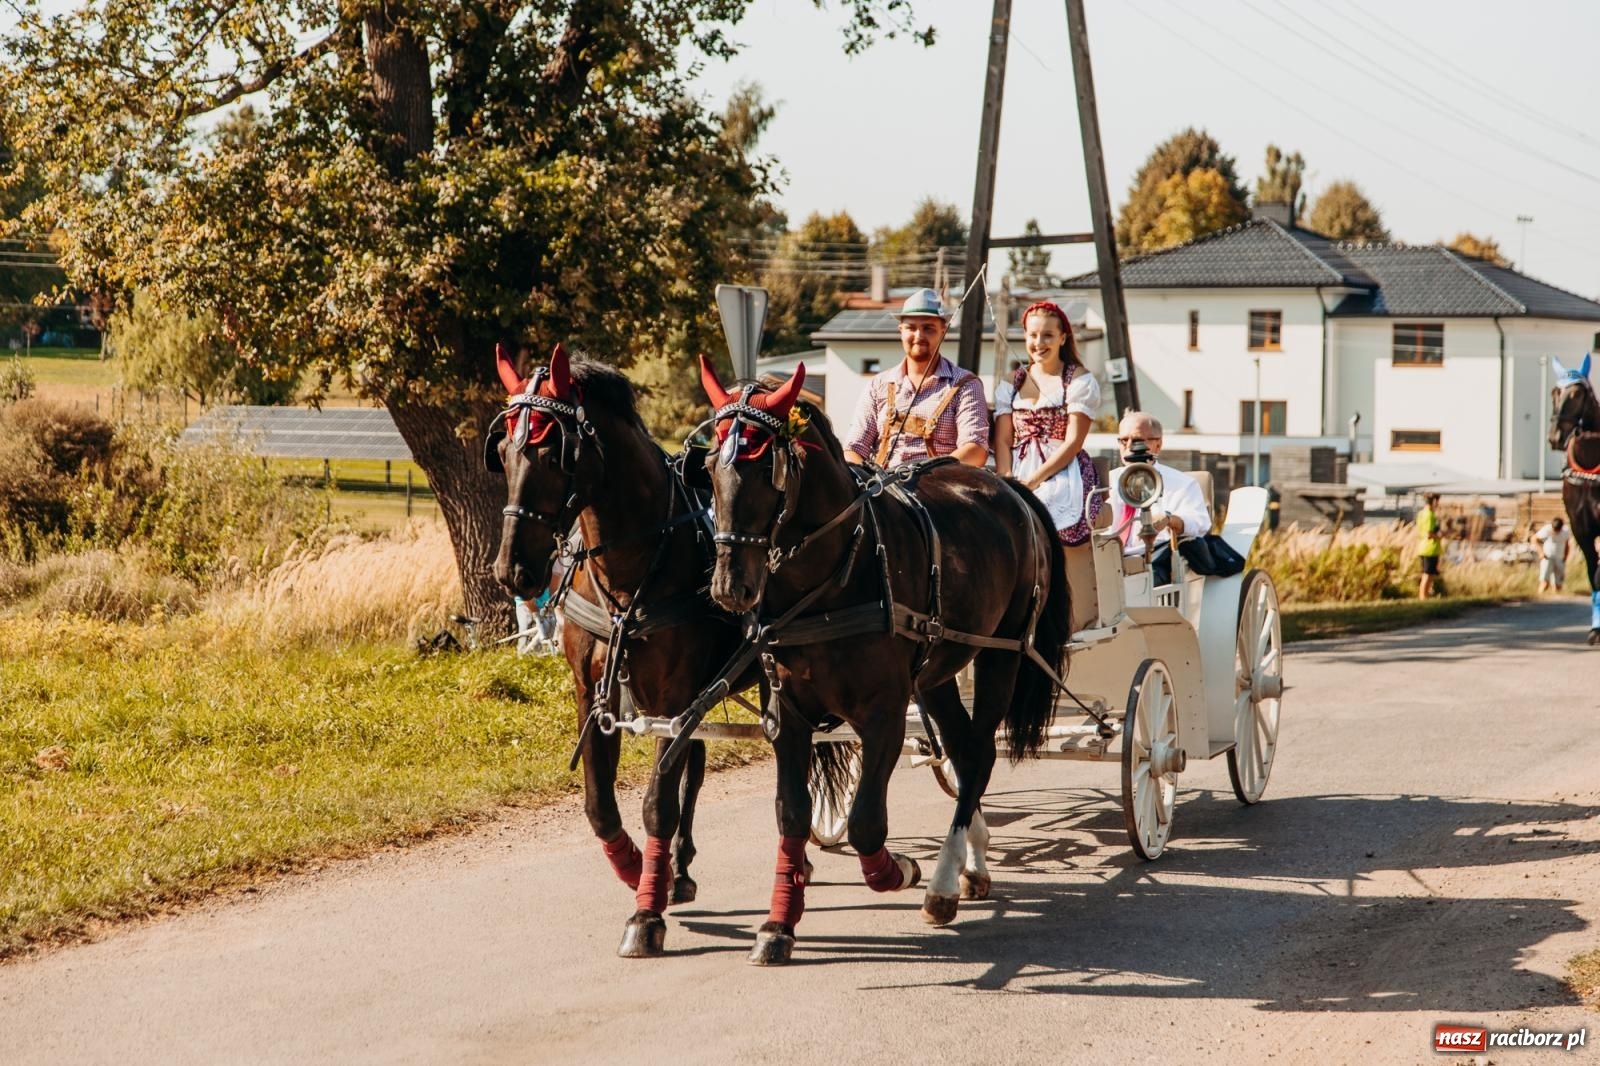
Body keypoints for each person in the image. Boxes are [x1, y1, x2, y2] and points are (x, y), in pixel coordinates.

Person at [843, 288, 989, 469]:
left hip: (941, 490)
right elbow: (853, 449)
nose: (919, 336)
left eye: (928, 328)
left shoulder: (965, 385)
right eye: (911, 328)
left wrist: (923, 475)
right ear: (901, 331)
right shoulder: (878, 385)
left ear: (943, 331)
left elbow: (975, 450)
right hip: (883, 491)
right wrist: (870, 481)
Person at [1107, 411, 1210, 586]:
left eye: (1138, 440)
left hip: (1154, 561)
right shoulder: (1107, 481)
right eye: (1124, 440)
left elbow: (1200, 524)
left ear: (1158, 444)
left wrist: (1170, 520)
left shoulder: (1183, 484)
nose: (1130, 446)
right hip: (1107, 560)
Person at [1532, 516, 1572, 594]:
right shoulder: (1547, 529)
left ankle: (1557, 602)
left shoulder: (1566, 531)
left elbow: (1567, 544)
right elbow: (1534, 539)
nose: (1556, 532)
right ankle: (1540, 597)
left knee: (1558, 584)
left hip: (1560, 558)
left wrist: (1565, 556)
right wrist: (1541, 552)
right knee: (1545, 583)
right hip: (1548, 557)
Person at [1417, 491, 1443, 599]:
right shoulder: (1429, 514)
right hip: (1430, 548)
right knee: (1428, 575)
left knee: (1428, 574)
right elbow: (1429, 533)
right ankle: (1423, 597)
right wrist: (1441, 535)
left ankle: (1425, 596)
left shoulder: (1421, 513)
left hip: (1423, 547)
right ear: (1434, 501)